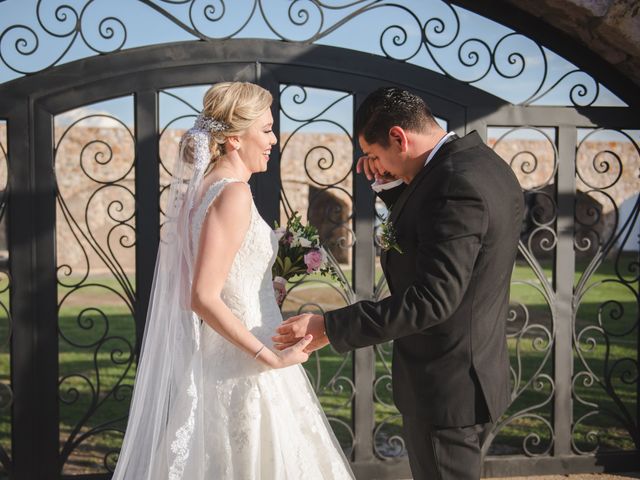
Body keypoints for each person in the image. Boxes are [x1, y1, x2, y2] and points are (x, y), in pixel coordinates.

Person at [273, 87, 524, 480]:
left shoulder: (453, 186)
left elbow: (433, 299)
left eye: (374, 155)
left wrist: (331, 326)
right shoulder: (482, 165)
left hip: (447, 385)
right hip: (472, 370)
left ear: (398, 138)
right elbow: (433, 237)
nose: (372, 164)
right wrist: (392, 189)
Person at [112, 82, 354, 479]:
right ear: (234, 139)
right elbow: (202, 296)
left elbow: (218, 280)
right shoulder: (234, 194)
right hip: (247, 363)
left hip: (226, 352)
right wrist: (270, 356)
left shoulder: (202, 192)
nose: (273, 140)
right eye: (266, 129)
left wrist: (264, 285)